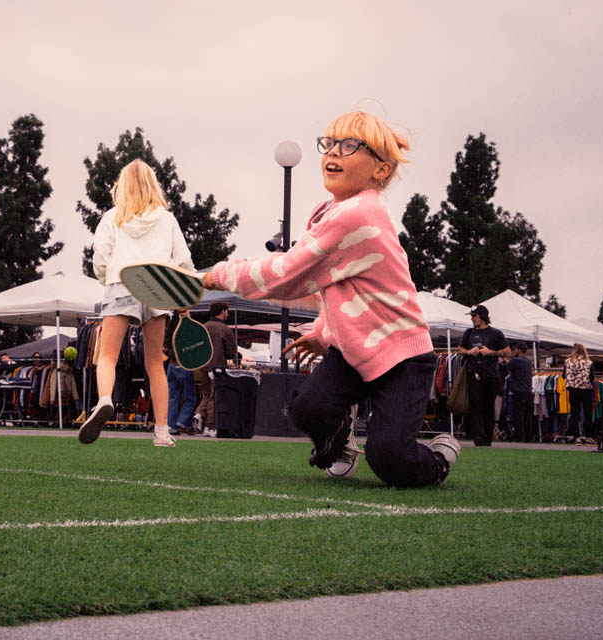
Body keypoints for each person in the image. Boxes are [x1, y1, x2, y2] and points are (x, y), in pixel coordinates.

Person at [202, 110, 460, 486]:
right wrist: (324, 332)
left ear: (381, 170)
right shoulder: (330, 212)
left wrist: (213, 276)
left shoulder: (359, 214)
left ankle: (437, 458)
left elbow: (287, 275)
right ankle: (339, 443)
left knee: (390, 458)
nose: (333, 152)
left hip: (402, 357)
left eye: (350, 145)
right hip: (356, 352)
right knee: (308, 410)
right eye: (330, 143)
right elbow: (338, 288)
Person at [78, 159, 195, 448]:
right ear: (153, 184)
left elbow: (101, 255)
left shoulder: (113, 216)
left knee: (107, 356)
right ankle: (162, 432)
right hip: (157, 286)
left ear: (123, 185)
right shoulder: (167, 219)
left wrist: (108, 279)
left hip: (122, 281)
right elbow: (183, 260)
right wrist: (184, 295)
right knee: (156, 363)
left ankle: (105, 400)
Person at [458, 305, 511, 446]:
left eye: (474, 316)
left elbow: (507, 352)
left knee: (488, 406)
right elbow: (460, 349)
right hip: (473, 374)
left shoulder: (495, 333)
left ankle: (487, 438)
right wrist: (469, 351)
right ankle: (478, 437)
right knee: (476, 405)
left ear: (482, 316)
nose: (472, 318)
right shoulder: (468, 333)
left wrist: (491, 352)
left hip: (491, 375)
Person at [193, 301, 237, 438]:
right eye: (227, 311)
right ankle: (209, 427)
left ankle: (199, 414)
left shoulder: (203, 327)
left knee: (206, 394)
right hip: (217, 367)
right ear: (223, 311)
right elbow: (231, 352)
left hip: (203, 366)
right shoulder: (225, 329)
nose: (227, 314)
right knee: (214, 397)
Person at [164, 309, 198, 435]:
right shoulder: (187, 328)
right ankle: (182, 422)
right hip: (184, 365)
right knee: (191, 398)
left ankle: (171, 426)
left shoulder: (170, 329)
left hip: (171, 366)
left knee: (173, 397)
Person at [563, 343, 595, 445]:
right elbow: (592, 378)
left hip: (573, 389)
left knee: (575, 413)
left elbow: (564, 375)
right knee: (588, 414)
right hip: (586, 389)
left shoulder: (567, 362)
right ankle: (588, 437)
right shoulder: (589, 362)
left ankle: (576, 437)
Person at [503, 343, 534, 441]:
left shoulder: (515, 361)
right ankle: (529, 436)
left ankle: (520, 436)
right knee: (527, 415)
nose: (514, 351)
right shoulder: (528, 361)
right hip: (528, 391)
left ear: (519, 350)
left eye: (515, 349)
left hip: (518, 391)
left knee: (518, 415)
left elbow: (504, 368)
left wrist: (504, 362)